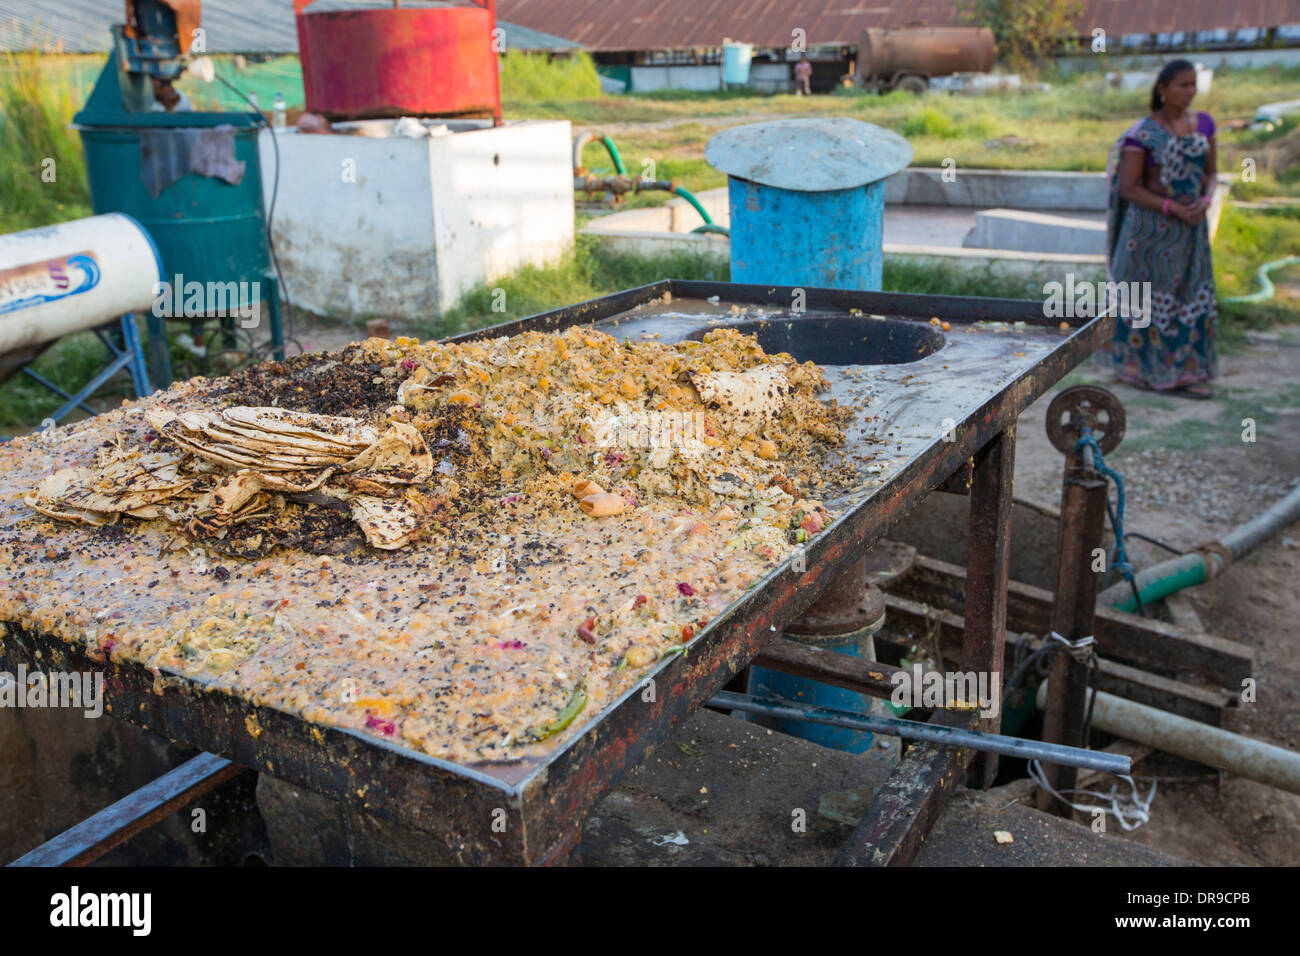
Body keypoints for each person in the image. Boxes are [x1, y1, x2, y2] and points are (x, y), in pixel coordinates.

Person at [1106, 59, 1218, 398]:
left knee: (1190, 297)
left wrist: (1205, 201)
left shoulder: (1204, 125)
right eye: (1182, 84)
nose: (1190, 91)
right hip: (1149, 236)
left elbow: (1212, 173)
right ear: (1163, 89)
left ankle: (1185, 371)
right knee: (1149, 302)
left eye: (1193, 84)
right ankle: (1145, 372)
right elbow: (1129, 188)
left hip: (1191, 231)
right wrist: (1172, 208)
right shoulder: (1142, 134)